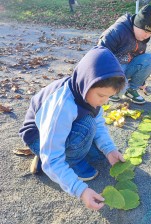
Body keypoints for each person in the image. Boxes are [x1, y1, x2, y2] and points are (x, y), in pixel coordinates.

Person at [19, 46, 126, 210]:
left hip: (56, 131)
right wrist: (80, 190)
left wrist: (109, 149)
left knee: (99, 154)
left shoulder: (88, 93)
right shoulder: (62, 107)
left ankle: (47, 154)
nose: (105, 102)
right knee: (86, 127)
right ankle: (68, 160)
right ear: (86, 83)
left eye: (109, 97)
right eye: (102, 96)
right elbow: (53, 157)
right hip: (38, 136)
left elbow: (99, 124)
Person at [98, 4, 151, 104]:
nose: (147, 36)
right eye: (145, 31)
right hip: (112, 70)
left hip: (126, 67)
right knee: (120, 90)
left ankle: (131, 89)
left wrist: (141, 81)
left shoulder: (142, 37)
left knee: (150, 60)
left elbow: (140, 57)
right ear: (137, 24)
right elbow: (99, 56)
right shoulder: (117, 31)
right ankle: (111, 90)